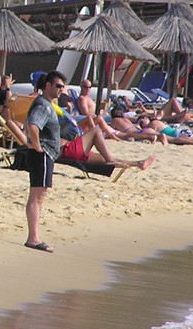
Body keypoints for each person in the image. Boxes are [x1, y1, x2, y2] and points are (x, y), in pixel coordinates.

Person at [23, 70, 66, 253]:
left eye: (63, 86)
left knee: (39, 196)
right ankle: (33, 238)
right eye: (58, 86)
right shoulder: (43, 105)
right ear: (47, 85)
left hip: (45, 154)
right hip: (42, 155)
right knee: (37, 196)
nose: (61, 90)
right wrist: (38, 146)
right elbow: (33, 125)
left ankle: (33, 236)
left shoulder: (47, 104)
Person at [60, 126, 156, 170]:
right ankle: (110, 160)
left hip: (69, 152)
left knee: (104, 158)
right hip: (67, 150)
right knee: (96, 131)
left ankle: (138, 164)